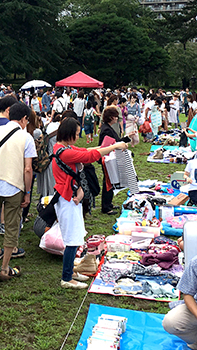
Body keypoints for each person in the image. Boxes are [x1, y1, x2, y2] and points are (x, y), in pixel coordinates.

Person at [52, 118, 128, 289]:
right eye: (77, 134)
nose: (78, 137)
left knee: (76, 236)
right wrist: (114, 147)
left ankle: (70, 271)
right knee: (72, 239)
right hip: (67, 199)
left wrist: (110, 146)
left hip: (70, 197)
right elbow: (88, 155)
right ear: (69, 133)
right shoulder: (64, 152)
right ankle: (66, 277)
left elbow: (87, 150)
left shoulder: (63, 148)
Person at [0, 102, 36, 281]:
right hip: (15, 186)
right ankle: (4, 268)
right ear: (24, 119)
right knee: (11, 226)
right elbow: (28, 169)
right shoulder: (27, 138)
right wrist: (28, 192)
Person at [98, 106, 122, 215]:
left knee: (111, 180)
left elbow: (116, 141)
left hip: (109, 157)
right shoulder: (106, 129)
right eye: (116, 117)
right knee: (108, 181)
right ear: (111, 117)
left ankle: (109, 203)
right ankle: (106, 207)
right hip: (107, 159)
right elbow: (109, 145)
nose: (117, 119)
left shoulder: (107, 127)